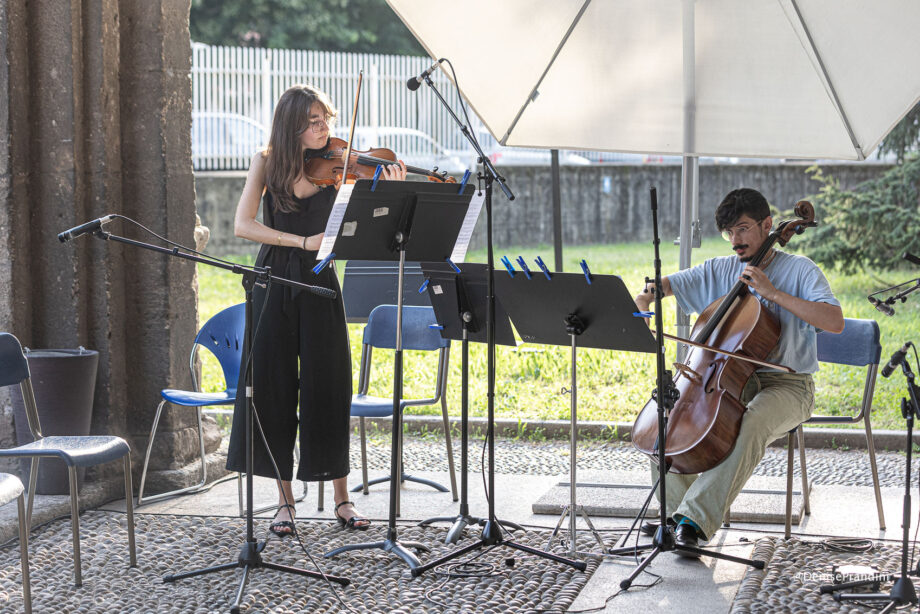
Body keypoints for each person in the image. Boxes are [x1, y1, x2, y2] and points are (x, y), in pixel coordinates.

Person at [226, 84, 407, 536]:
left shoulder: (342, 167)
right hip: (275, 279)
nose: (323, 126)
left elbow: (366, 230)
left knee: (328, 386)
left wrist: (389, 194)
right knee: (274, 388)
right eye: (311, 121)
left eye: (325, 117)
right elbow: (243, 225)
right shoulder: (266, 161)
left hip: (321, 280)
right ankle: (285, 503)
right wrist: (300, 242)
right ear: (291, 125)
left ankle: (342, 499)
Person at [632, 187, 844, 556]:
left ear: (766, 225)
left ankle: (693, 522)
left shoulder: (800, 269)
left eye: (743, 229)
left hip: (788, 385)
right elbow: (664, 285)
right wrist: (645, 297)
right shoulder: (719, 269)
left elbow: (835, 321)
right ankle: (674, 516)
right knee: (672, 415)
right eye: (729, 233)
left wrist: (773, 293)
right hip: (727, 381)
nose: (735, 241)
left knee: (753, 421)